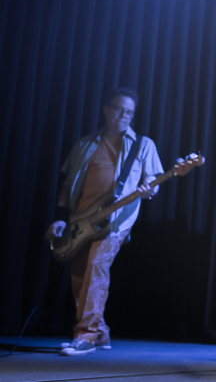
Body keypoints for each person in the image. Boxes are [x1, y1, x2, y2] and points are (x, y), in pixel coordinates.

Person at [45, 87, 164, 356]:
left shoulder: (143, 145)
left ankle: (85, 335)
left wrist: (150, 188)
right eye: (119, 109)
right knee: (78, 275)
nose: (124, 116)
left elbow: (152, 181)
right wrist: (62, 219)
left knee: (97, 267)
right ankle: (100, 334)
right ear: (106, 109)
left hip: (116, 222)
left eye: (129, 112)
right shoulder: (85, 144)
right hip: (80, 221)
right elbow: (67, 185)